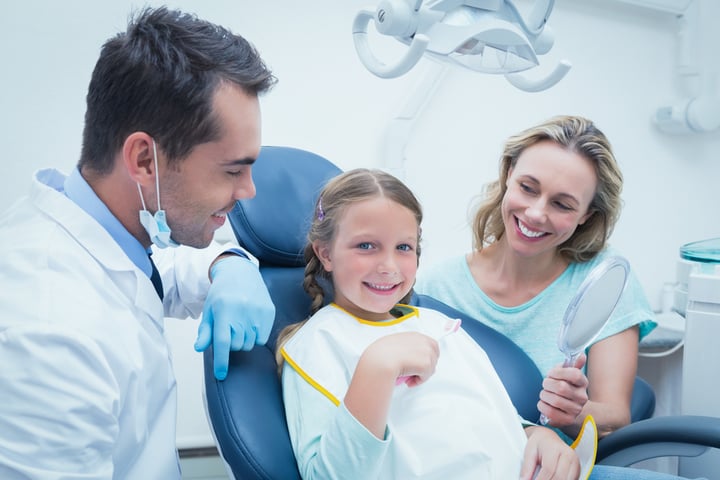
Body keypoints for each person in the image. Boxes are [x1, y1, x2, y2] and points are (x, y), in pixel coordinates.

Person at [0, 7, 276, 478]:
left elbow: (156, 273)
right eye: (233, 170)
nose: (249, 190)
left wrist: (229, 264)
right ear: (145, 159)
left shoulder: (105, 235)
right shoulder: (49, 338)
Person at [278, 168, 616, 480]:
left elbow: (486, 411)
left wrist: (534, 434)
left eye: (404, 247)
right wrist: (377, 368)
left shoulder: (438, 325)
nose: (388, 265)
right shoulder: (315, 347)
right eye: (366, 246)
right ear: (325, 253)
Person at [414, 115, 657, 442]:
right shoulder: (435, 289)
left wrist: (572, 414)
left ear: (586, 215)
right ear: (509, 174)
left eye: (562, 204)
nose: (536, 213)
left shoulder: (603, 279)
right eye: (528, 188)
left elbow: (615, 417)